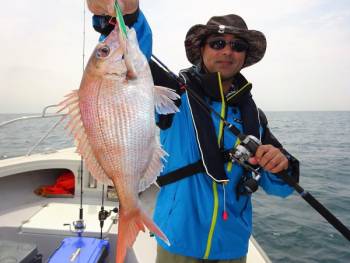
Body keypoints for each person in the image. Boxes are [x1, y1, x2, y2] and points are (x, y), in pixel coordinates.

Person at [89, 1, 299, 262]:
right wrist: (123, 15)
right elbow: (131, 58)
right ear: (201, 49)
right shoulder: (175, 93)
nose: (228, 51)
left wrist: (279, 164)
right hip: (177, 243)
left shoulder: (253, 116)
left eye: (238, 46)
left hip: (233, 248)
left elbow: (281, 188)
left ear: (245, 56)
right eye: (218, 43)